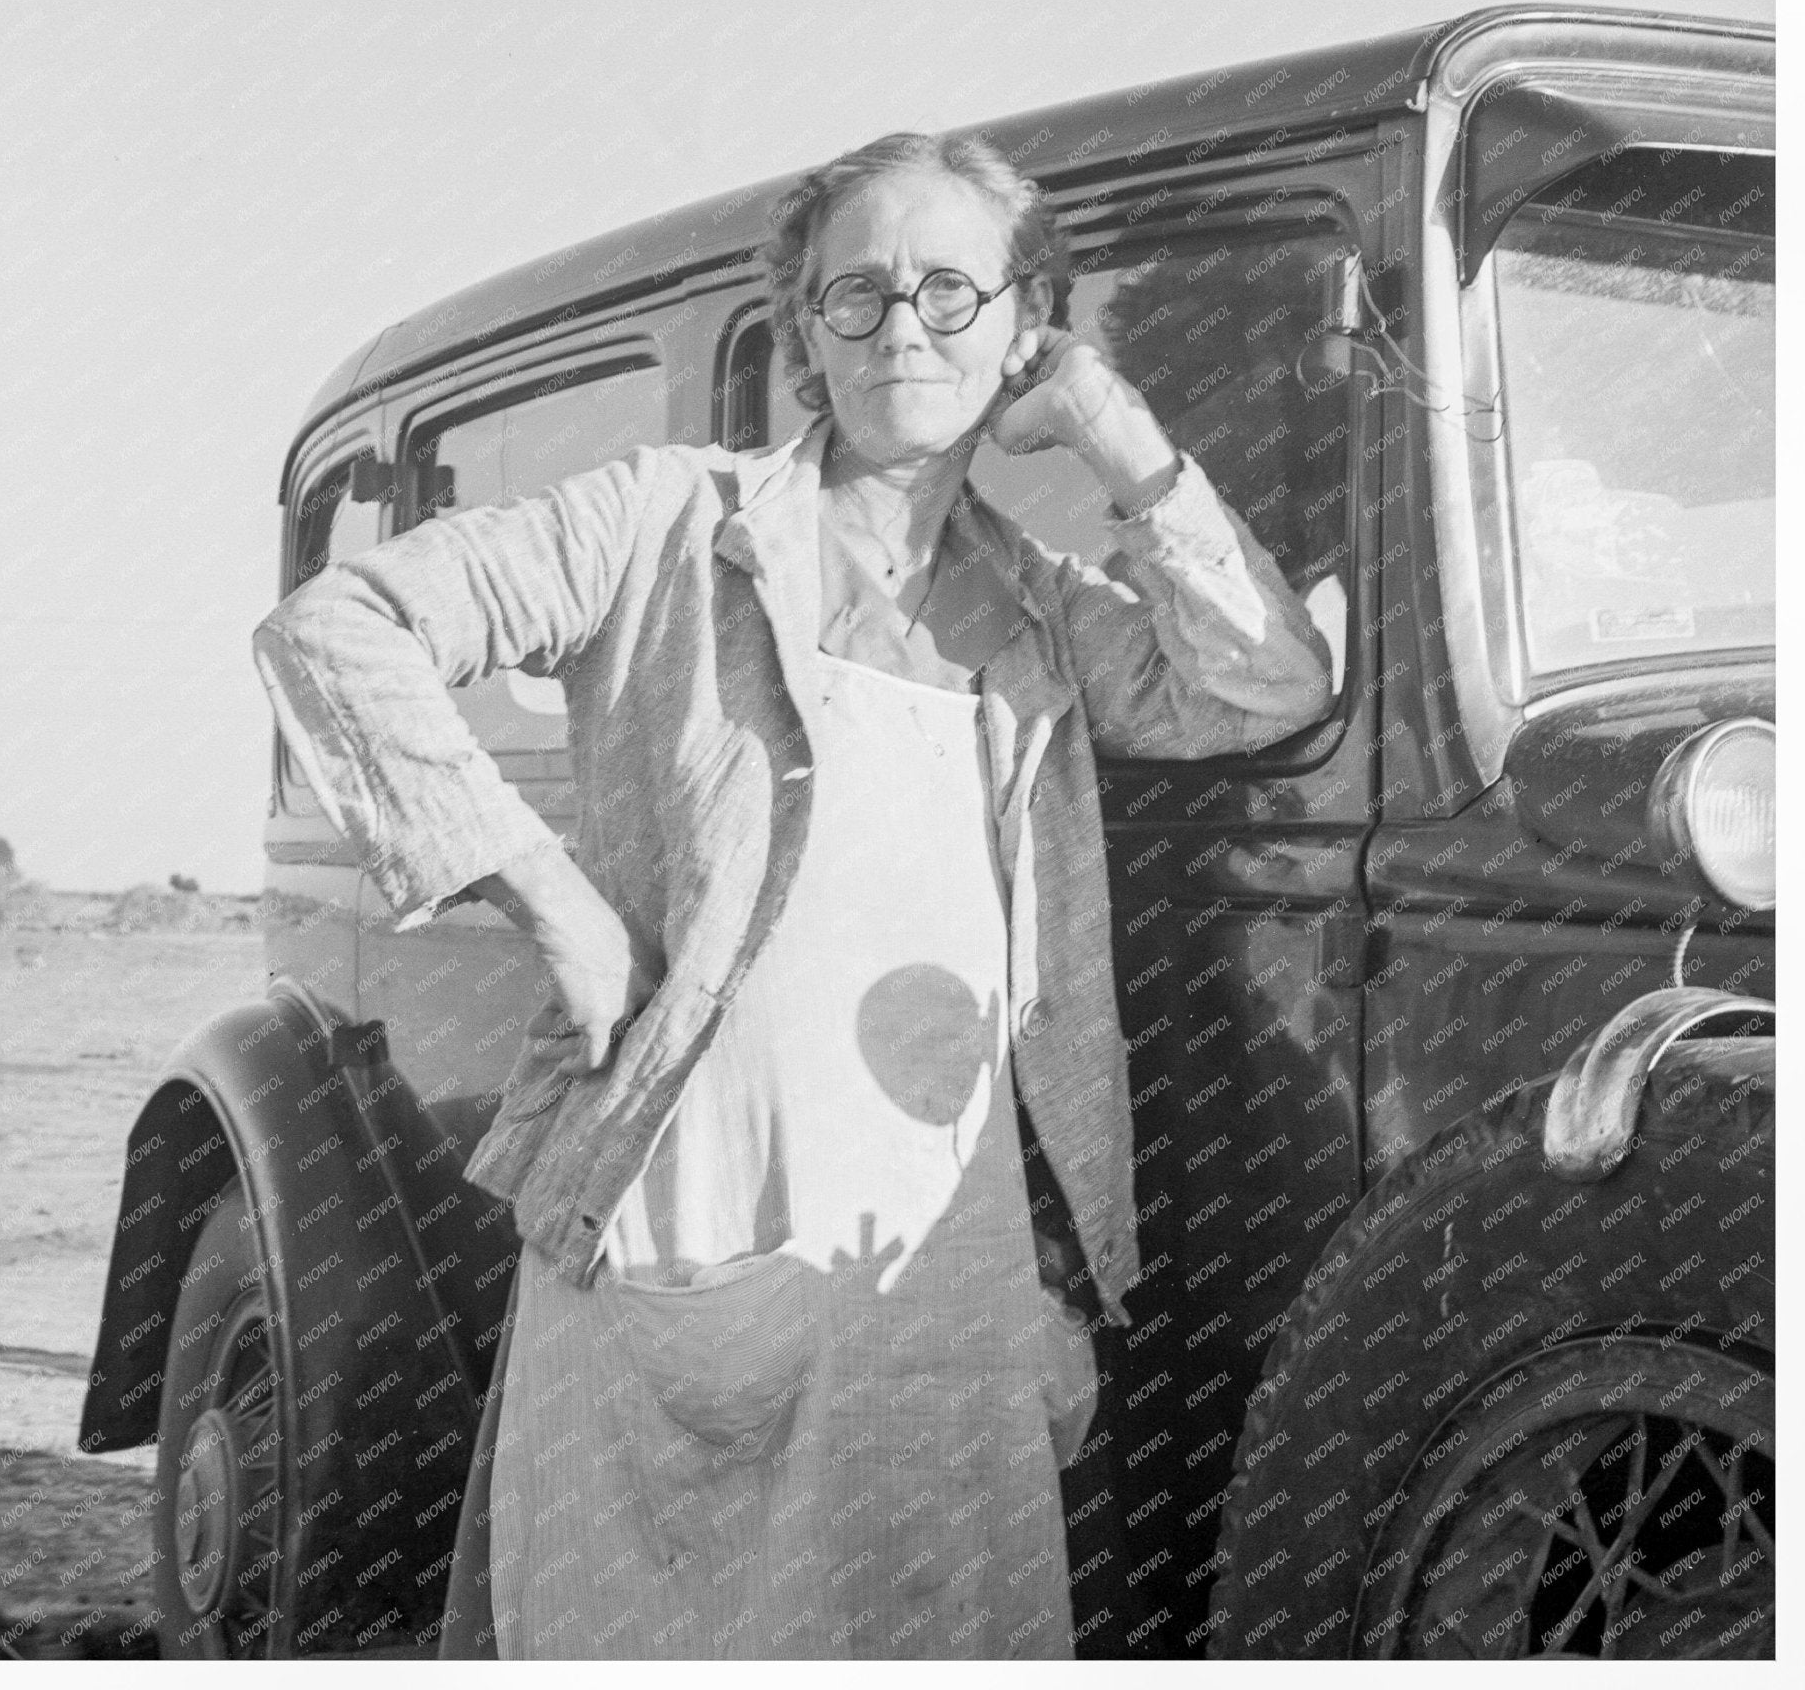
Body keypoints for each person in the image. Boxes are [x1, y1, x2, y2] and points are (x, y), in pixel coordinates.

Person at [251, 132, 1334, 1659]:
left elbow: (1266, 681)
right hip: (684, 1221)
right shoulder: (667, 522)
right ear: (808, 333)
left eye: (955, 291)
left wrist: (1104, 417)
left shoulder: (1037, 606)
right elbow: (335, 626)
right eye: (861, 291)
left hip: (940, 1269)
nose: (906, 324)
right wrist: (548, 895)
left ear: (1024, 321)